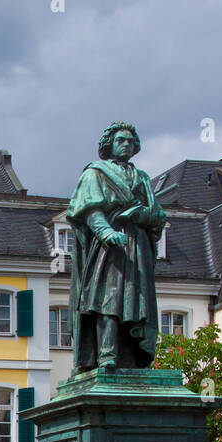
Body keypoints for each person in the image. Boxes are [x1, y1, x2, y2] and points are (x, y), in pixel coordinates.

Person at [66, 120, 167, 371]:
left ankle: (131, 356)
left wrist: (140, 215)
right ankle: (106, 355)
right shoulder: (95, 173)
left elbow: (157, 215)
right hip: (107, 248)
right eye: (120, 140)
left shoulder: (142, 178)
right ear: (109, 144)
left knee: (136, 301)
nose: (126, 145)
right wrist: (106, 232)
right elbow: (89, 209)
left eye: (130, 141)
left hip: (137, 245)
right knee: (106, 299)